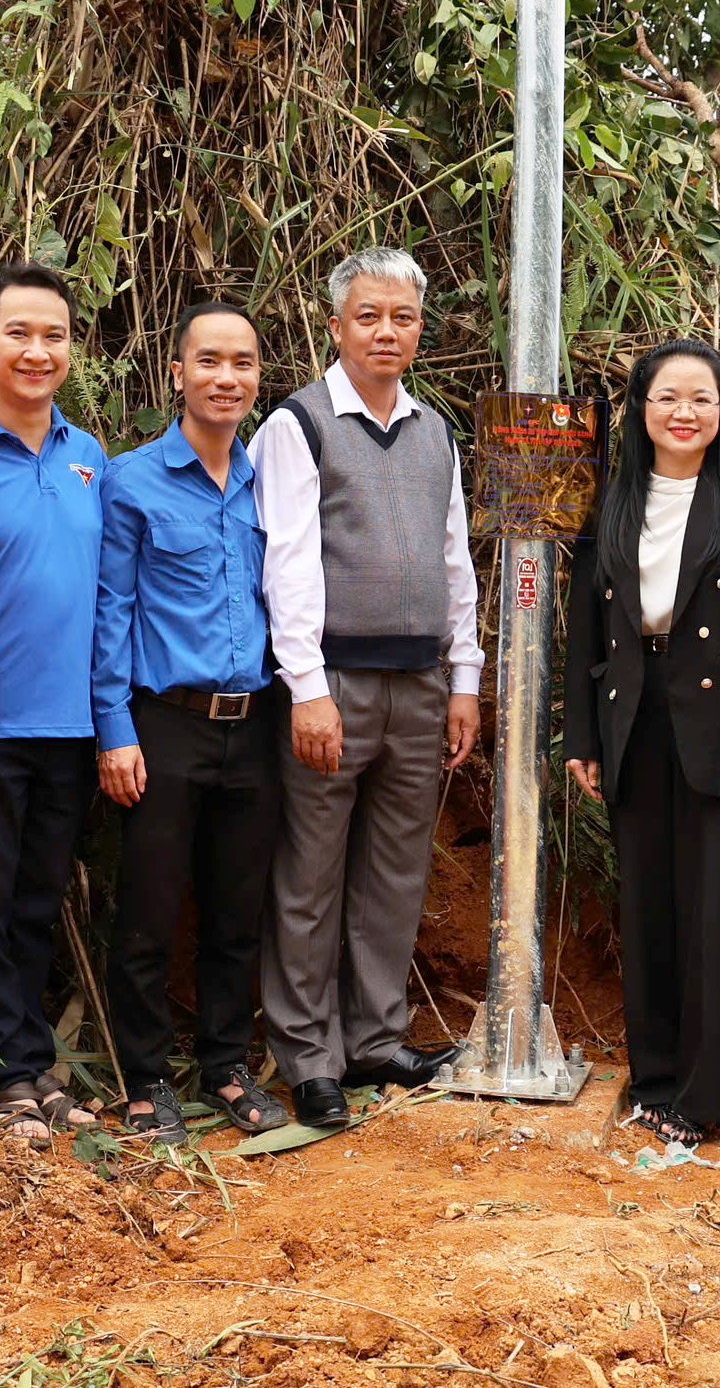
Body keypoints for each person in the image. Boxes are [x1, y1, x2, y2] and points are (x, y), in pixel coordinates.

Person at [254, 249, 483, 1130]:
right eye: (368, 317)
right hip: (335, 685)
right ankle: (308, 1057)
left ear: (420, 329)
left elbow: (454, 559)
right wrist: (307, 688)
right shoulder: (300, 425)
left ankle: (377, 1040)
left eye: (403, 318)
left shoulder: (435, 431)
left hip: (421, 685)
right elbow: (289, 566)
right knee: (310, 874)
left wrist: (463, 677)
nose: (387, 332)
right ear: (337, 325)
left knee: (395, 871)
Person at [564, 341, 720, 1145]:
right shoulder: (612, 499)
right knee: (648, 906)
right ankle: (653, 1078)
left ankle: (702, 1099)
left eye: (701, 397)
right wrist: (582, 737)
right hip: (633, 716)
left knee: (712, 914)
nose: (684, 412)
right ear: (642, 409)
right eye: (667, 398)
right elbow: (587, 627)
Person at [93, 303, 291, 1141]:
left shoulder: (268, 481)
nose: (226, 378)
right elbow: (111, 612)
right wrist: (113, 728)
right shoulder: (131, 480)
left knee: (237, 908)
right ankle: (144, 1081)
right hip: (162, 723)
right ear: (177, 373)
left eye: (242, 364)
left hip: (254, 725)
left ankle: (225, 1067)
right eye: (209, 361)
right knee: (148, 909)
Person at [0, 261, 108, 1144]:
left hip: (70, 724)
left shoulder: (89, 458)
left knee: (36, 898)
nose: (37, 350)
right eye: (19, 332)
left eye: (53, 335)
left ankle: (26, 1057)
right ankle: (6, 1072)